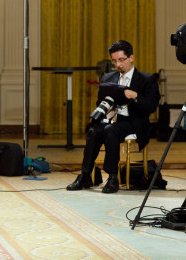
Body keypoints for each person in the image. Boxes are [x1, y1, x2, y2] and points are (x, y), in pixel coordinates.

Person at [66, 40, 160, 193]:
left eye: (121, 60)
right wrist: (109, 113)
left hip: (134, 122)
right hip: (113, 119)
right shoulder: (107, 78)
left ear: (131, 57)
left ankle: (112, 177)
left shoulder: (146, 79)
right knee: (93, 131)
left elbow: (151, 106)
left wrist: (135, 96)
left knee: (111, 130)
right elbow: (100, 102)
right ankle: (84, 175)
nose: (118, 65)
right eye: (114, 61)